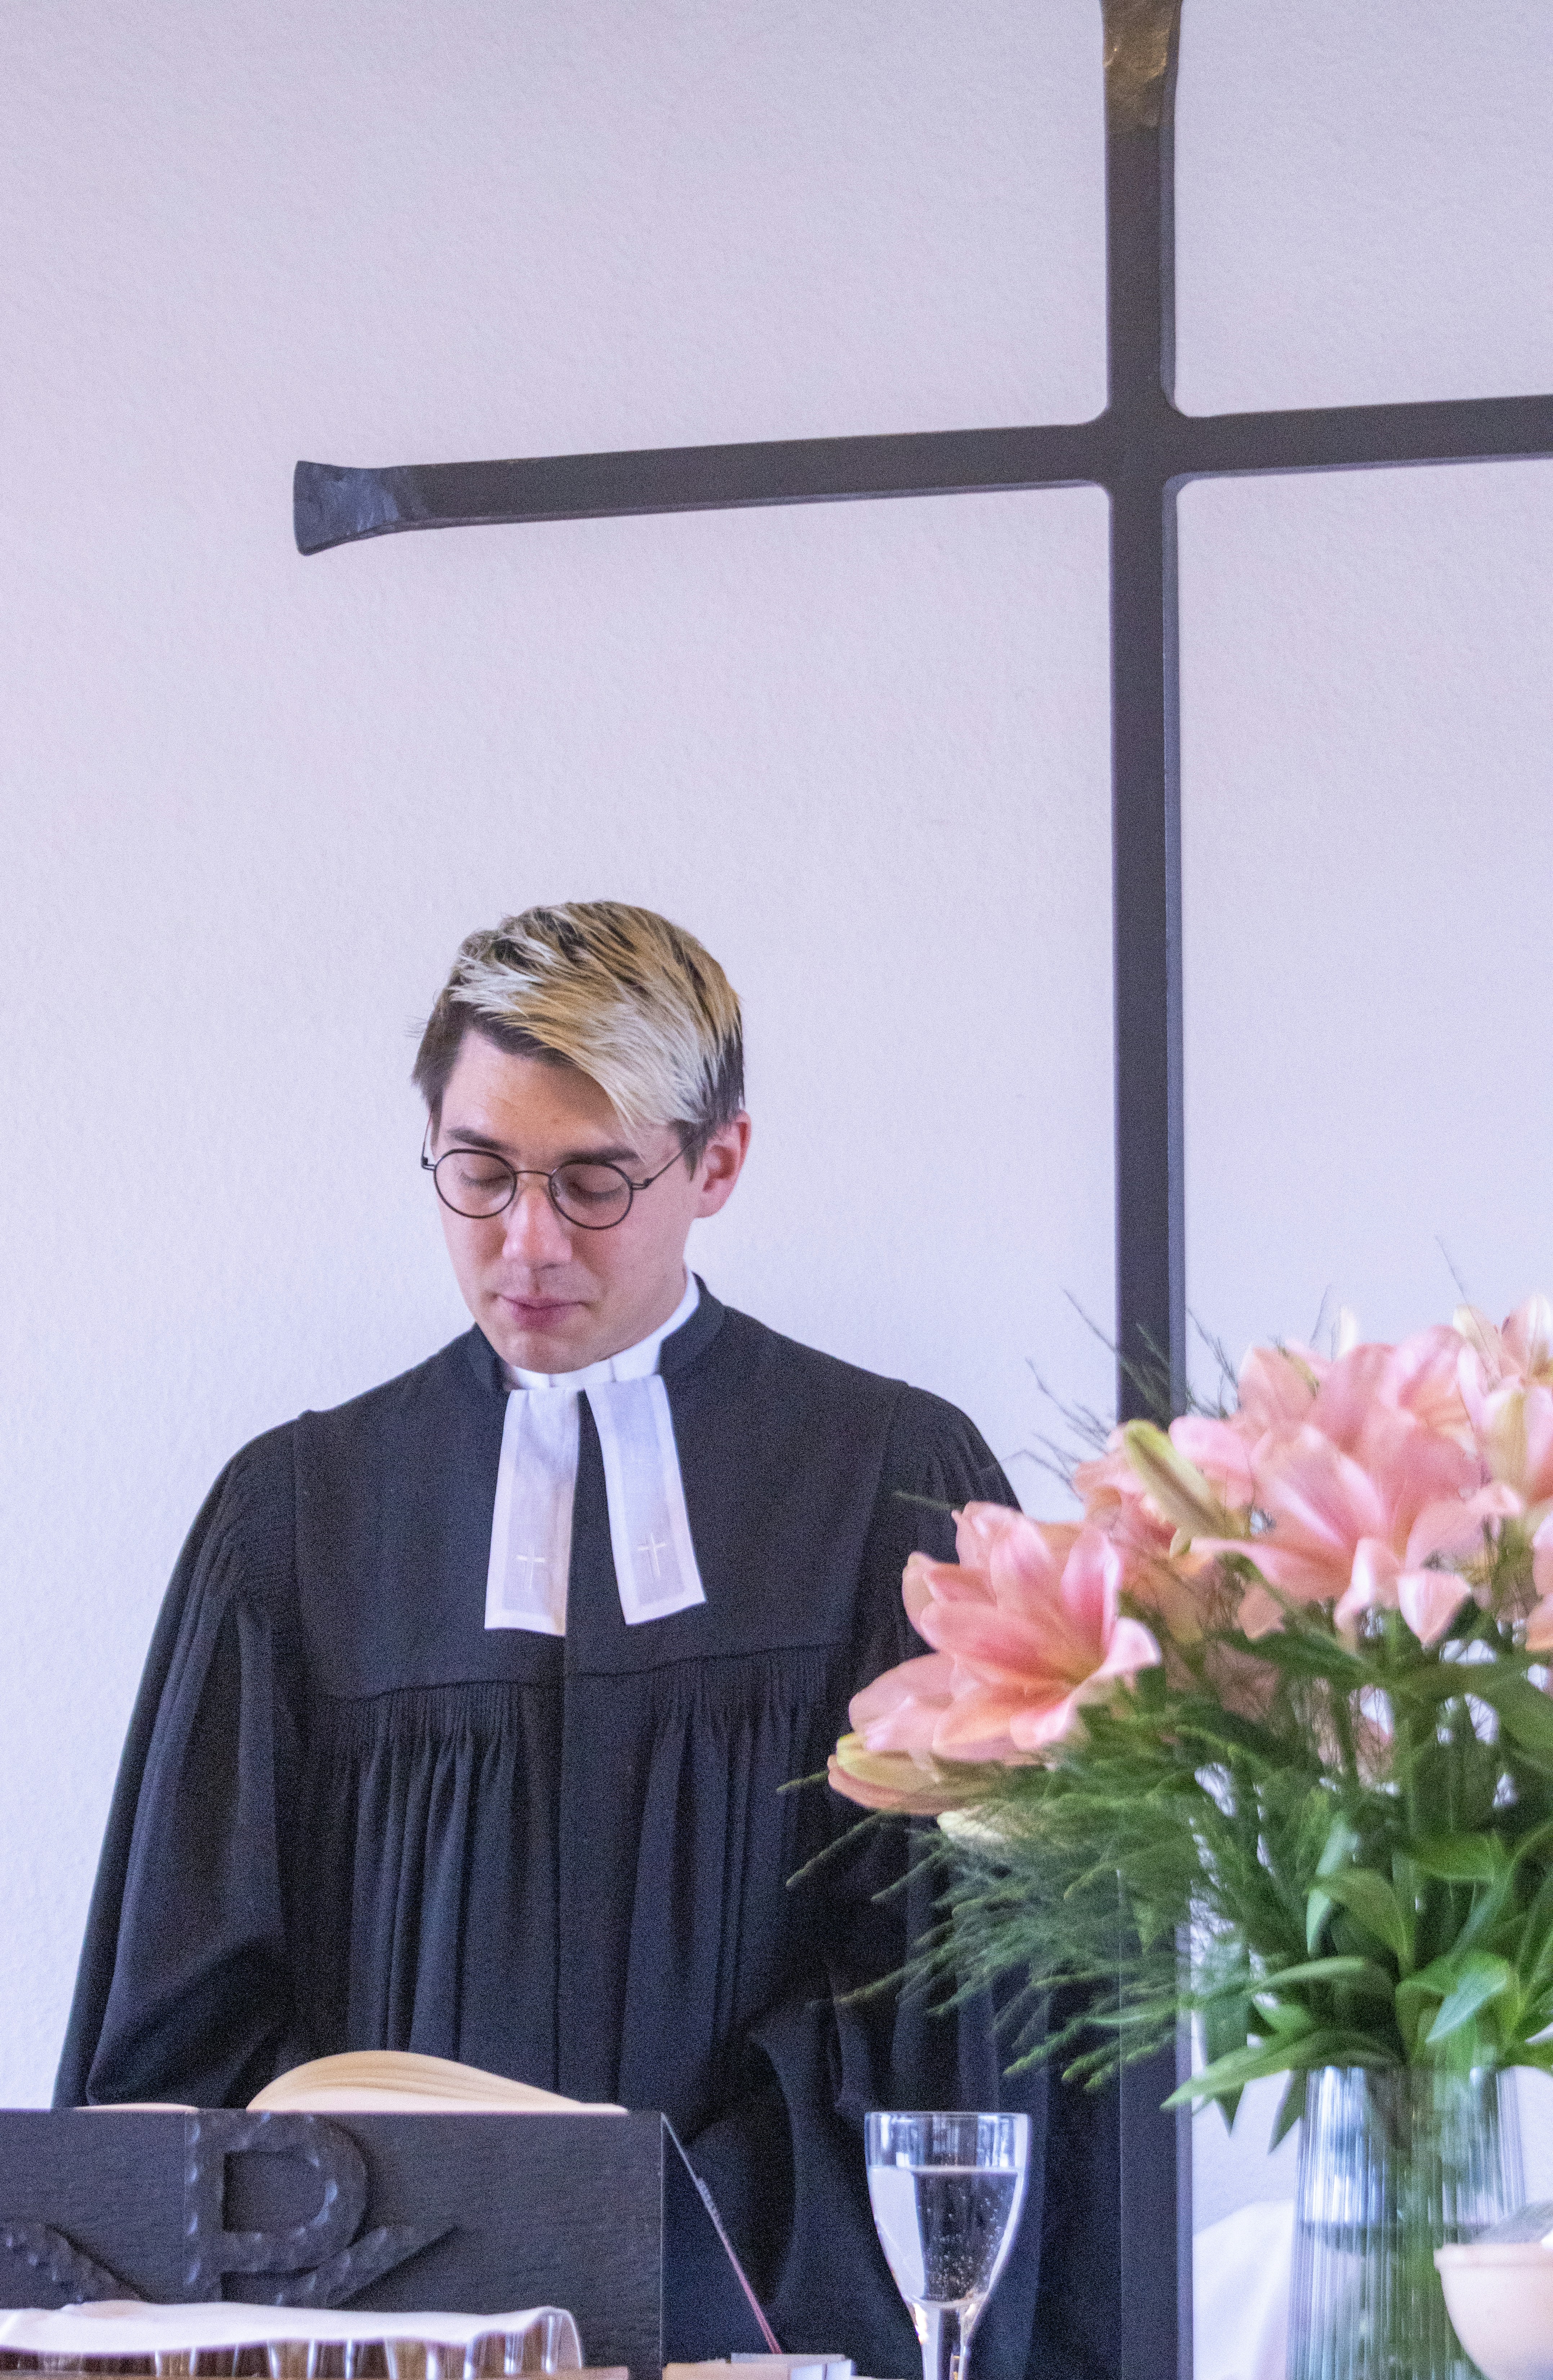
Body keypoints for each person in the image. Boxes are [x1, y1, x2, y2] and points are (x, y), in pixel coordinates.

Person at [56, 902, 1116, 2379]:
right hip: (377, 2336)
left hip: (772, 2330)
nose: (527, 1243)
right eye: (478, 1172)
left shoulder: (889, 1491)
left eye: (594, 1181)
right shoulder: (297, 1517)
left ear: (718, 1160)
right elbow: (177, 2033)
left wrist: (661, 2241)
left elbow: (959, 2013)